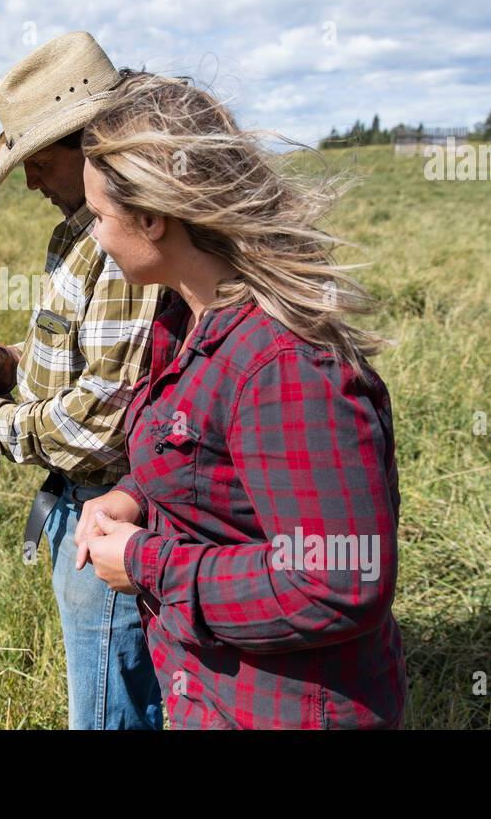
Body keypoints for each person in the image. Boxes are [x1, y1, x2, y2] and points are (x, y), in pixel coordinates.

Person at [72, 71, 407, 729]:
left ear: (151, 216)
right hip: (212, 692)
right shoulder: (189, 317)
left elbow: (337, 581)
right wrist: (135, 493)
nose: (95, 237)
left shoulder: (282, 364)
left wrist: (146, 562)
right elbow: (213, 461)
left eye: (101, 217)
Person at [0, 32, 164, 729]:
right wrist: (5, 363)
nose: (29, 181)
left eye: (38, 160)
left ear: (91, 146)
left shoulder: (123, 245)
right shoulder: (77, 234)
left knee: (107, 713)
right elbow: (84, 361)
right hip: (77, 502)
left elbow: (98, 422)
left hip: (106, 506)